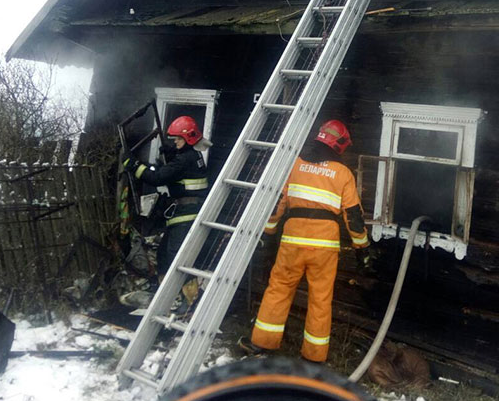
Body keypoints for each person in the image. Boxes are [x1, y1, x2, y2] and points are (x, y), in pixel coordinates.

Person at [240, 120, 371, 363]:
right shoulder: (343, 173)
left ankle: (262, 343)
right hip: (325, 245)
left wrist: (268, 232)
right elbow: (352, 215)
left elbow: (278, 202)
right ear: (339, 145)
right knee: (320, 299)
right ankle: (313, 357)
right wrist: (362, 247)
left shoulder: (296, 165)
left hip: (292, 240)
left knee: (278, 288)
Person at [121, 115, 211, 309]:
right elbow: (180, 174)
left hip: (186, 213)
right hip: (183, 212)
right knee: (163, 254)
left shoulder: (184, 160)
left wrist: (133, 165)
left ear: (189, 139)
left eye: (178, 139)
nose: (175, 142)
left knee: (177, 257)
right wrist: (172, 154)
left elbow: (157, 177)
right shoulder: (193, 156)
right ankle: (166, 295)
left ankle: (190, 302)